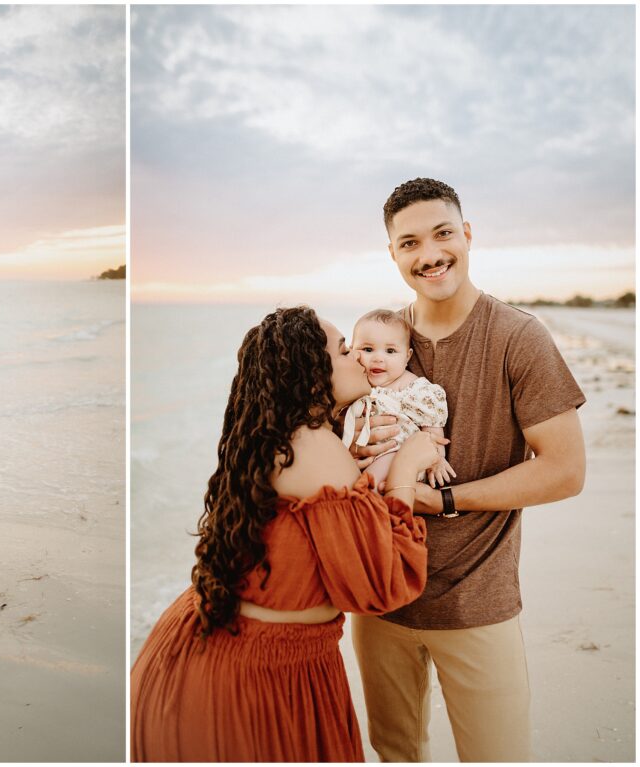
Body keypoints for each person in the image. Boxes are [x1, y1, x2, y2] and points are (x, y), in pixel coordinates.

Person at [130, 306, 439, 762]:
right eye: (342, 349)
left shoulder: (284, 437)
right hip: (258, 677)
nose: (357, 356)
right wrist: (408, 468)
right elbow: (381, 583)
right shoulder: (315, 446)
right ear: (311, 374)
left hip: (208, 647)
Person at [350, 178, 587, 762]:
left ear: (468, 234)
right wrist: (354, 450)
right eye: (409, 243)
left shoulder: (518, 336)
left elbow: (565, 470)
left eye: (442, 234)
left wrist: (446, 501)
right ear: (393, 254)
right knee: (395, 753)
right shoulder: (377, 341)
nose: (428, 254)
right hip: (380, 595)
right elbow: (326, 442)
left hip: (477, 600)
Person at [344, 308, 454, 489]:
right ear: (352, 351)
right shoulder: (353, 384)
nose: (378, 358)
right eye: (368, 349)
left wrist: (437, 459)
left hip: (400, 455)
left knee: (369, 481)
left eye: (390, 351)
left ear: (407, 356)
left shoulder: (415, 389)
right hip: (365, 457)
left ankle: (364, 499)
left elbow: (433, 436)